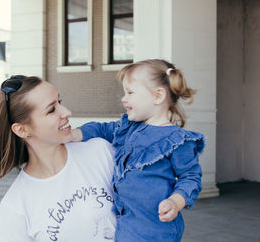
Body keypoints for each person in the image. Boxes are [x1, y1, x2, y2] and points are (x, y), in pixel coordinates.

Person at [71, 59, 205, 241]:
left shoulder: (177, 140)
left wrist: (175, 201)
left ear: (158, 96)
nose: (123, 98)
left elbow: (190, 178)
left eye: (130, 92)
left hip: (157, 230)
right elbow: (102, 129)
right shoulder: (129, 128)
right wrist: (74, 134)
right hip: (127, 227)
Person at [0, 75, 116, 242]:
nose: (67, 112)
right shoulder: (15, 206)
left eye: (59, 102)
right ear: (21, 130)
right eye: (51, 110)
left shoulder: (100, 152)